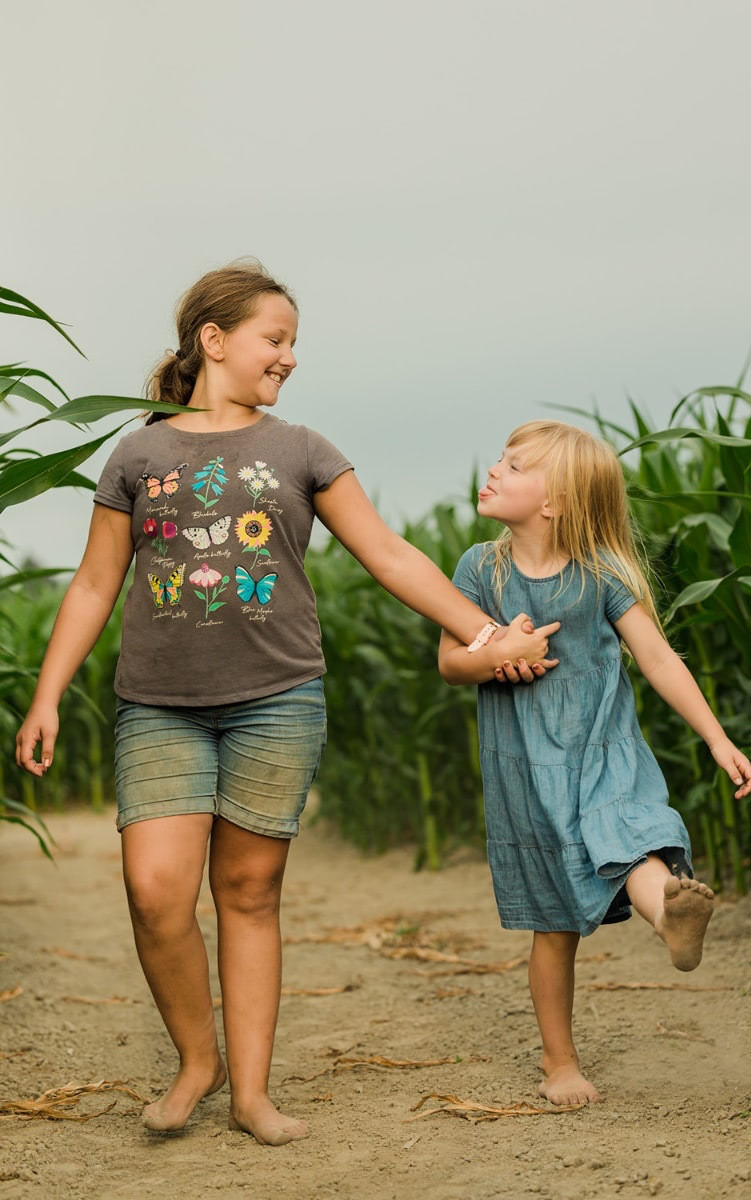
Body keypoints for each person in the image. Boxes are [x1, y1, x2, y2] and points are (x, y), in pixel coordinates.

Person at [15, 262, 559, 1147]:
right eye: (276, 339)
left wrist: (489, 634)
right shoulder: (139, 455)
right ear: (213, 341)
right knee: (156, 893)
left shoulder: (301, 448)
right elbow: (90, 586)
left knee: (249, 889)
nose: (290, 357)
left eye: (294, 343)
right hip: (159, 704)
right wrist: (46, 697)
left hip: (277, 699)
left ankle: (252, 1094)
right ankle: (200, 1060)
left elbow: (388, 554)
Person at [438, 419, 751, 1107]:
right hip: (527, 770)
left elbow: (659, 658)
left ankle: (671, 920)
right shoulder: (478, 571)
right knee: (554, 928)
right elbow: (450, 664)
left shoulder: (601, 576)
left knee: (634, 841)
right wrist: (493, 656)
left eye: (514, 465)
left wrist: (715, 736)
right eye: (500, 457)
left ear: (554, 502)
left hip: (605, 753)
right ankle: (560, 1063)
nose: (494, 469)